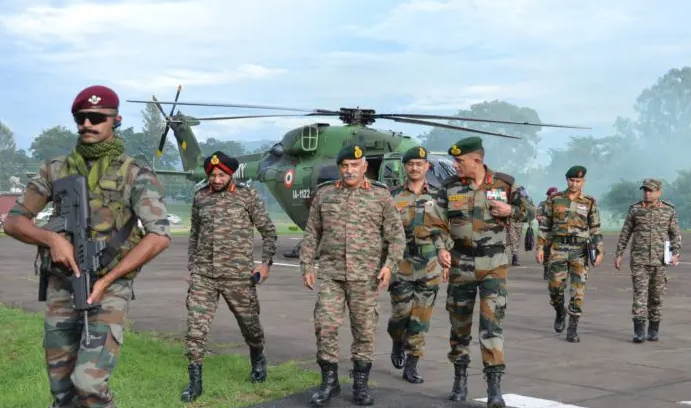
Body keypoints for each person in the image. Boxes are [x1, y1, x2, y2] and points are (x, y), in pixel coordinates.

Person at [3, 85, 172, 408]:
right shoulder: (55, 169)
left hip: (109, 287)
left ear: (116, 120)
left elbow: (159, 235)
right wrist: (51, 239)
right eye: (81, 118)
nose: (87, 124)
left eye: (97, 117)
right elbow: (14, 221)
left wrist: (109, 280)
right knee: (62, 390)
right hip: (62, 284)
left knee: (88, 384)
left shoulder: (135, 173)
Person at [300, 143, 405, 407]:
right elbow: (312, 233)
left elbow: (396, 236)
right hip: (332, 275)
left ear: (364, 167)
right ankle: (329, 382)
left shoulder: (380, 196)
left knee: (364, 332)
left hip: (366, 277)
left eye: (355, 166)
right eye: (345, 166)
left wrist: (389, 265)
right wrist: (306, 265)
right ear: (339, 168)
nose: (349, 170)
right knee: (325, 326)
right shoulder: (325, 194)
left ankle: (360, 385)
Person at [435, 136, 535, 408]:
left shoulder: (505, 184)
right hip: (460, 264)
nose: (455, 165)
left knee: (492, 325)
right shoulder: (449, 187)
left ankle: (494, 387)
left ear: (477, 160)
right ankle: (460, 378)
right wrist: (441, 247)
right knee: (459, 325)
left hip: (493, 265)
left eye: (460, 161)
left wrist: (510, 209)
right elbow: (436, 222)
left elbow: (531, 211)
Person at [181, 151, 277, 402]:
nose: (216, 179)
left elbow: (268, 232)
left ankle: (257, 356)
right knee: (195, 329)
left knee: (250, 325)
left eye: (221, 175)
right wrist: (192, 267)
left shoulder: (247, 196)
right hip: (204, 274)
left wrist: (265, 264)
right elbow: (194, 235)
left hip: (238, 275)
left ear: (230, 174)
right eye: (212, 175)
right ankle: (195, 382)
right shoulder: (200, 197)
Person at [387, 146, 450, 384]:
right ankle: (397, 341)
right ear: (405, 167)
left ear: (427, 167)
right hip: (401, 264)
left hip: (429, 264)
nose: (415, 168)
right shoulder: (392, 196)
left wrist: (444, 253)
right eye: (410, 164)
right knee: (400, 315)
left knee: (421, 317)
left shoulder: (438, 196)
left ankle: (412, 363)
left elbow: (445, 229)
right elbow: (384, 231)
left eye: (419, 164)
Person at [535, 165, 604, 343]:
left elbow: (595, 228)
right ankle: (560, 311)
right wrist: (540, 247)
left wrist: (599, 250)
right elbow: (545, 225)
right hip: (558, 248)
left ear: (583, 182)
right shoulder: (555, 199)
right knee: (555, 288)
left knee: (578, 291)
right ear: (567, 180)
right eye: (572, 180)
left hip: (580, 251)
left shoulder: (589, 202)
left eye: (578, 181)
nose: (574, 184)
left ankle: (573, 328)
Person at [613, 178, 681, 343]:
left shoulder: (668, 210)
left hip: (660, 261)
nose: (647, 194)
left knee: (656, 297)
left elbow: (675, 233)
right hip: (639, 260)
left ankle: (654, 328)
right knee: (640, 296)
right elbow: (625, 233)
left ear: (659, 192)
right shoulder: (635, 210)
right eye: (645, 190)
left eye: (650, 191)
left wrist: (676, 253)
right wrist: (619, 254)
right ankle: (639, 331)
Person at [537, 187, 559, 280]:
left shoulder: (559, 204)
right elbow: (538, 217)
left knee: (556, 251)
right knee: (546, 252)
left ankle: (554, 271)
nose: (554, 196)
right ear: (548, 195)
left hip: (556, 232)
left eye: (556, 194)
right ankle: (546, 270)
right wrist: (547, 219)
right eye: (553, 194)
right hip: (546, 232)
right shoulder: (543, 204)